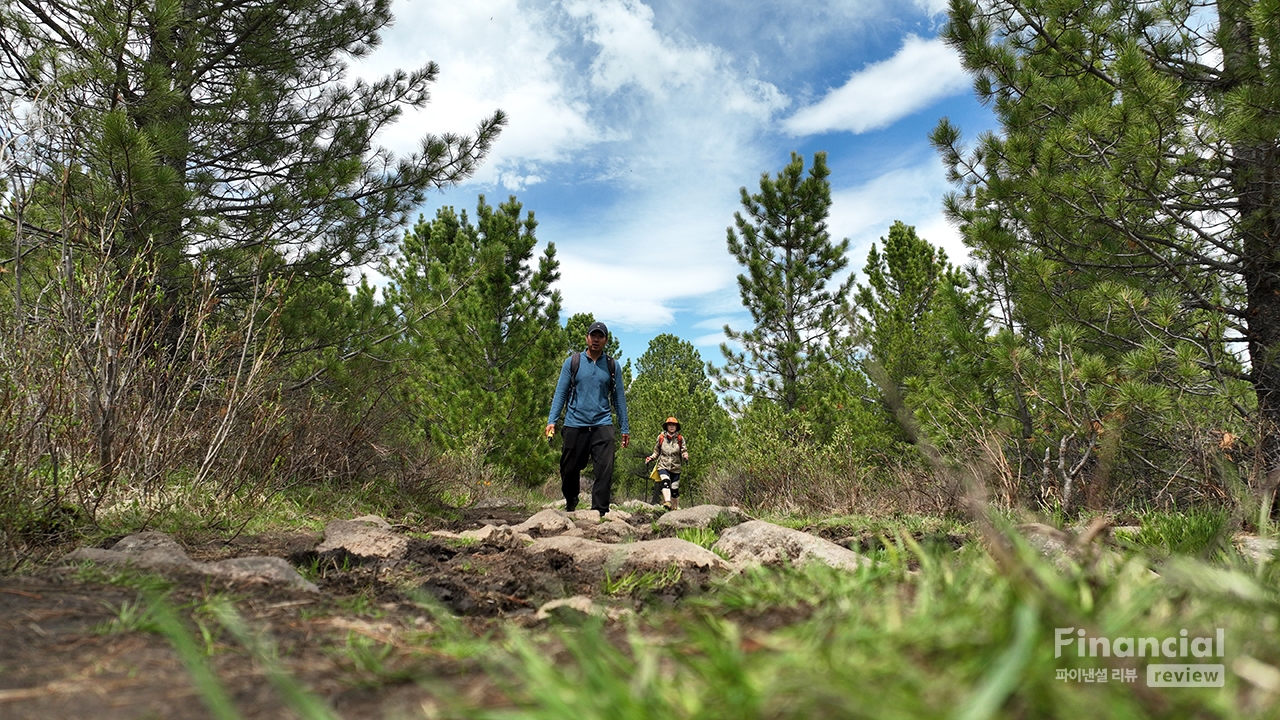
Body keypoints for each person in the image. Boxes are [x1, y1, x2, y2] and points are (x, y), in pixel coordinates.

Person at [545, 321, 630, 514]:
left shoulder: (612, 366)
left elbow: (619, 399)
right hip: (575, 423)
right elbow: (561, 393)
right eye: (593, 335)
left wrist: (624, 428)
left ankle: (599, 510)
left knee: (605, 470)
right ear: (587, 338)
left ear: (606, 340)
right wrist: (552, 420)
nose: (596, 339)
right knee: (568, 469)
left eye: (600, 336)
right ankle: (571, 499)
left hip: (602, 423)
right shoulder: (572, 362)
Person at [644, 416, 688, 510]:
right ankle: (667, 502)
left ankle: (674, 509)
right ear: (666, 426)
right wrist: (650, 458)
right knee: (665, 482)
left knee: (675, 489)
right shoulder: (661, 438)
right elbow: (656, 452)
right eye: (669, 425)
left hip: (676, 467)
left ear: (676, 427)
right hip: (663, 465)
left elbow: (684, 450)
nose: (671, 426)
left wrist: (685, 455)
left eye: (674, 425)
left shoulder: (680, 439)